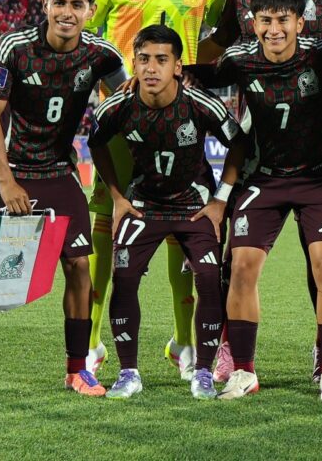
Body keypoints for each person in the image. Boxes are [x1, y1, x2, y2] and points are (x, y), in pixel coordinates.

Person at [0, 0, 127, 403]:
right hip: (10, 170)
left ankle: (77, 369)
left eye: (76, 4)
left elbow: (126, 103)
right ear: (45, 5)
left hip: (60, 173)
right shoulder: (15, 47)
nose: (67, 12)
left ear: (90, 10)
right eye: (59, 2)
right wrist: (6, 182)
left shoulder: (102, 55)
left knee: (81, 268)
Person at [196, 0, 322, 383]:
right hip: (259, 146)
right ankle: (233, 353)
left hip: (313, 154)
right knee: (236, 262)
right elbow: (211, 53)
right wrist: (165, 56)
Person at [84, 0, 229, 379]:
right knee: (108, 221)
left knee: (182, 222)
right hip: (123, 118)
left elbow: (223, 37)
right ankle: (93, 341)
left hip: (182, 119)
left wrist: (191, 78)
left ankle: (184, 344)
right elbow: (87, 32)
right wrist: (111, 86)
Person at [88, 25, 244, 399]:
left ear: (177, 66)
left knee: (208, 278)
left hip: (193, 206)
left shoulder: (200, 103)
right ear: (134, 64)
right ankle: (128, 372)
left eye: (161, 60)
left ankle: (203, 372)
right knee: (123, 276)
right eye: (143, 60)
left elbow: (238, 143)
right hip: (143, 205)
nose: (151, 68)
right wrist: (116, 197)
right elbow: (96, 144)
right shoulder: (118, 105)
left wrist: (220, 199)